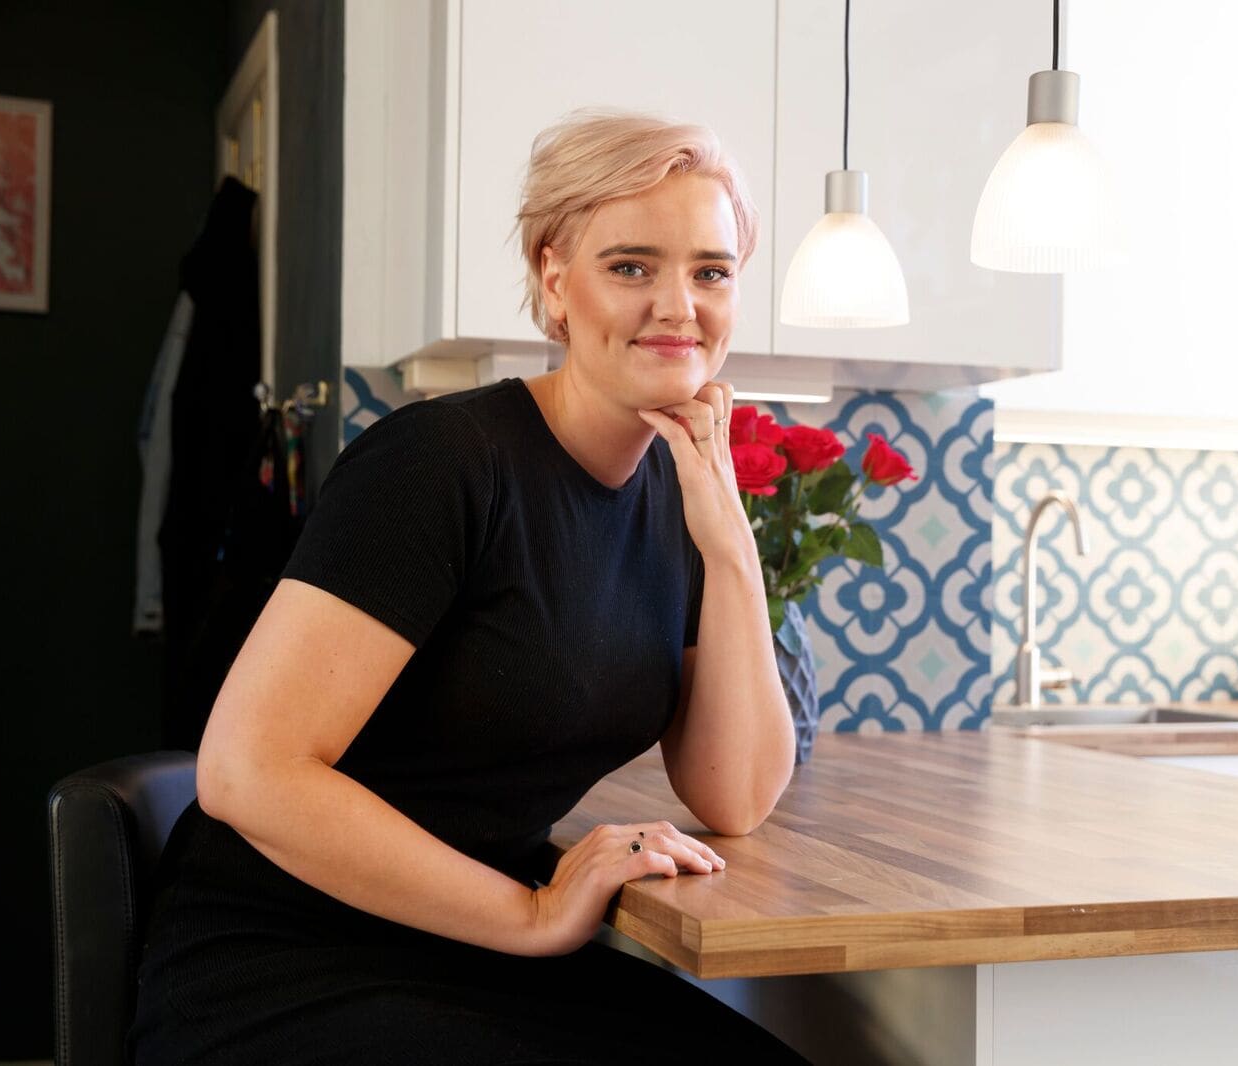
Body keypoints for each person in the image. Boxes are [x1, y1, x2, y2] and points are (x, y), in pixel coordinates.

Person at [129, 109, 808, 1064]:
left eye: (711, 271)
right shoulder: (441, 463)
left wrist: (730, 543)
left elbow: (733, 795)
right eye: (630, 267)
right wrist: (534, 914)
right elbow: (248, 770)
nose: (678, 305)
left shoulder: (682, 491)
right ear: (554, 278)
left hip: (467, 956)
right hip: (287, 960)